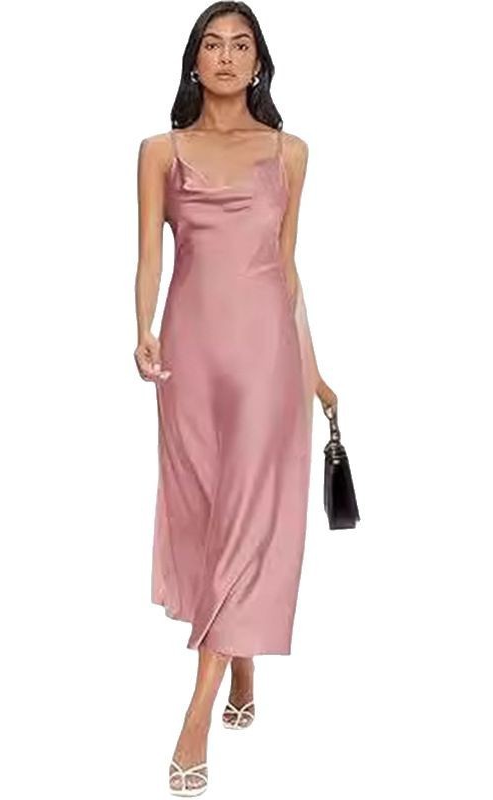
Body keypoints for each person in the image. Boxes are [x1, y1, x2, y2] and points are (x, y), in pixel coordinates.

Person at [133, 3, 337, 795]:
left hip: (266, 362)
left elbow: (287, 271)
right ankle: (241, 662)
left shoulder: (291, 154)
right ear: (195, 61)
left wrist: (313, 371)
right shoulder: (160, 152)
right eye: (212, 44)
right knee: (204, 518)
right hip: (188, 359)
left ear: (259, 63)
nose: (225, 56)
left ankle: (195, 715)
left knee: (250, 519)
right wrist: (142, 330)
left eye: (240, 45)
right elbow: (149, 258)